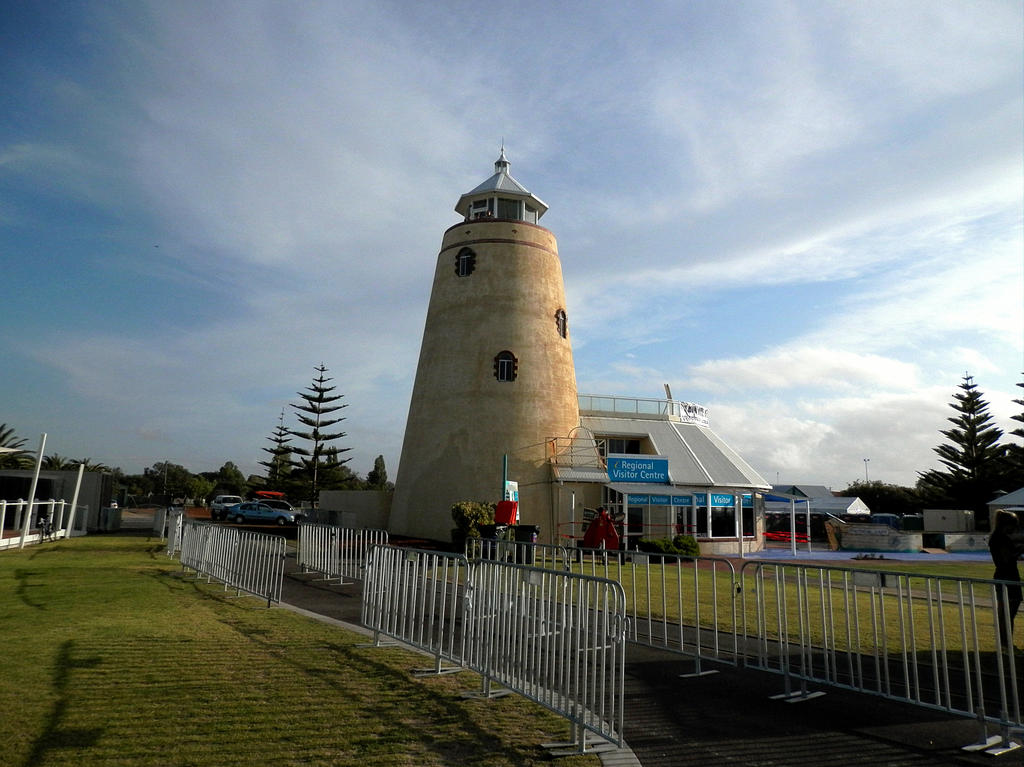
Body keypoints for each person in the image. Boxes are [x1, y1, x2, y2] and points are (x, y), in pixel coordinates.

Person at [989, 509, 1024, 649]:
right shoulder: (1000, 539)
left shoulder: (999, 538)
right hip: (1006, 577)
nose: (1015, 528)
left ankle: (1006, 643)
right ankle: (1005, 643)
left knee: (1008, 612)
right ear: (1006, 524)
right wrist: (1020, 550)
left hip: (1007, 576)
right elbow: (1006, 560)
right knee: (1006, 613)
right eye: (1014, 524)